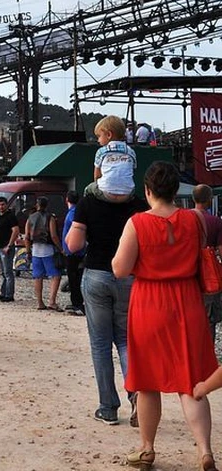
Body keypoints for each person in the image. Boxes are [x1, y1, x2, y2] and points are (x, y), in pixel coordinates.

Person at [112, 161, 218, 471]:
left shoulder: (137, 223)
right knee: (192, 381)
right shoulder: (194, 220)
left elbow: (120, 269)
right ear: (175, 190)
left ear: (147, 190)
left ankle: (147, 449)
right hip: (188, 301)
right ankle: (205, 452)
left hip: (149, 303)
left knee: (147, 382)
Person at [66, 171, 148, 427]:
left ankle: (108, 408)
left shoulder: (88, 203)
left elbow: (74, 245)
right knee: (126, 340)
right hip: (129, 277)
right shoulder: (138, 206)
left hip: (97, 275)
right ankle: (136, 394)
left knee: (101, 344)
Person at [193, 184, 222, 343]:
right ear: (209, 199)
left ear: (193, 198)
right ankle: (208, 351)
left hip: (188, 275)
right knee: (209, 319)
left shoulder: (183, 218)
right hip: (208, 276)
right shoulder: (215, 221)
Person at [85, 116, 137, 203]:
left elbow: (97, 176)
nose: (98, 140)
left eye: (99, 136)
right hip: (127, 194)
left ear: (109, 135)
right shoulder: (130, 152)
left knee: (88, 189)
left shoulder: (101, 151)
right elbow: (131, 170)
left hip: (106, 194)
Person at [24, 197, 63, 311]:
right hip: (48, 251)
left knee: (38, 277)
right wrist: (61, 248)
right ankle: (52, 301)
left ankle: (40, 302)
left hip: (35, 251)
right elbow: (54, 236)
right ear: (47, 205)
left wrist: (28, 251)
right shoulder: (50, 217)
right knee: (56, 275)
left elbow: (27, 237)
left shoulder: (30, 218)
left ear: (37, 205)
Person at [62, 191, 85, 316]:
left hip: (74, 251)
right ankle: (75, 301)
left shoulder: (72, 213)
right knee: (74, 277)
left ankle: (77, 303)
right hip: (75, 250)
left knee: (74, 278)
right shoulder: (75, 212)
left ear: (67, 200)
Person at [0, 196, 19, 303]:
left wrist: (9, 245)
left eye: (3, 204)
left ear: (7, 205)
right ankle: (3, 292)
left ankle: (9, 295)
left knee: (8, 272)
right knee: (3, 272)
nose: (1, 207)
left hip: (6, 247)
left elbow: (15, 230)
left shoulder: (10, 216)